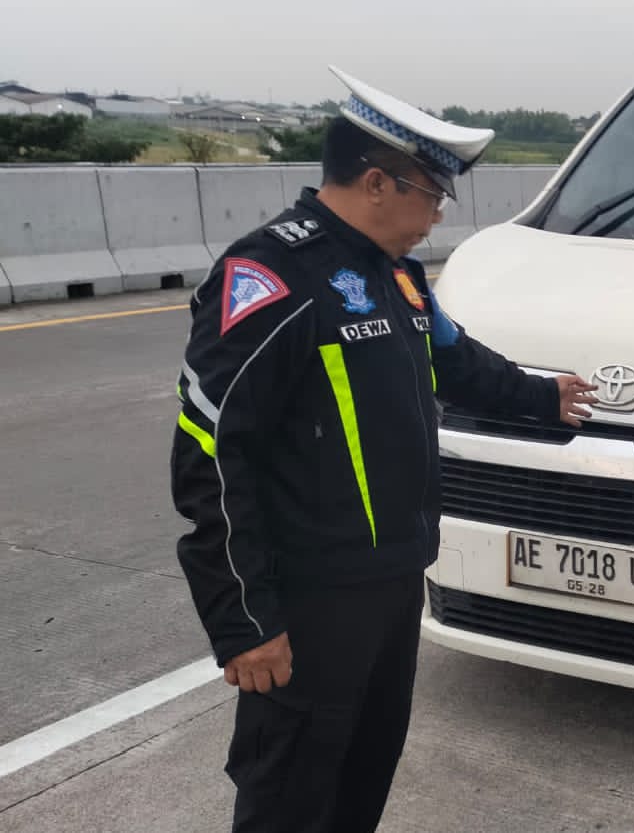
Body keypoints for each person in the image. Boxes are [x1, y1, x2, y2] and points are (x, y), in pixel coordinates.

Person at [169, 65, 597, 832]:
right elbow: (211, 455)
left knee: (363, 775)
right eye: (432, 195)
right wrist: (243, 620)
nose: (437, 215)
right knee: (290, 797)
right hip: (311, 598)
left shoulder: (396, 276)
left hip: (393, 582)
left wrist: (543, 396)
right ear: (376, 183)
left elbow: (455, 360)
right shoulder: (273, 277)